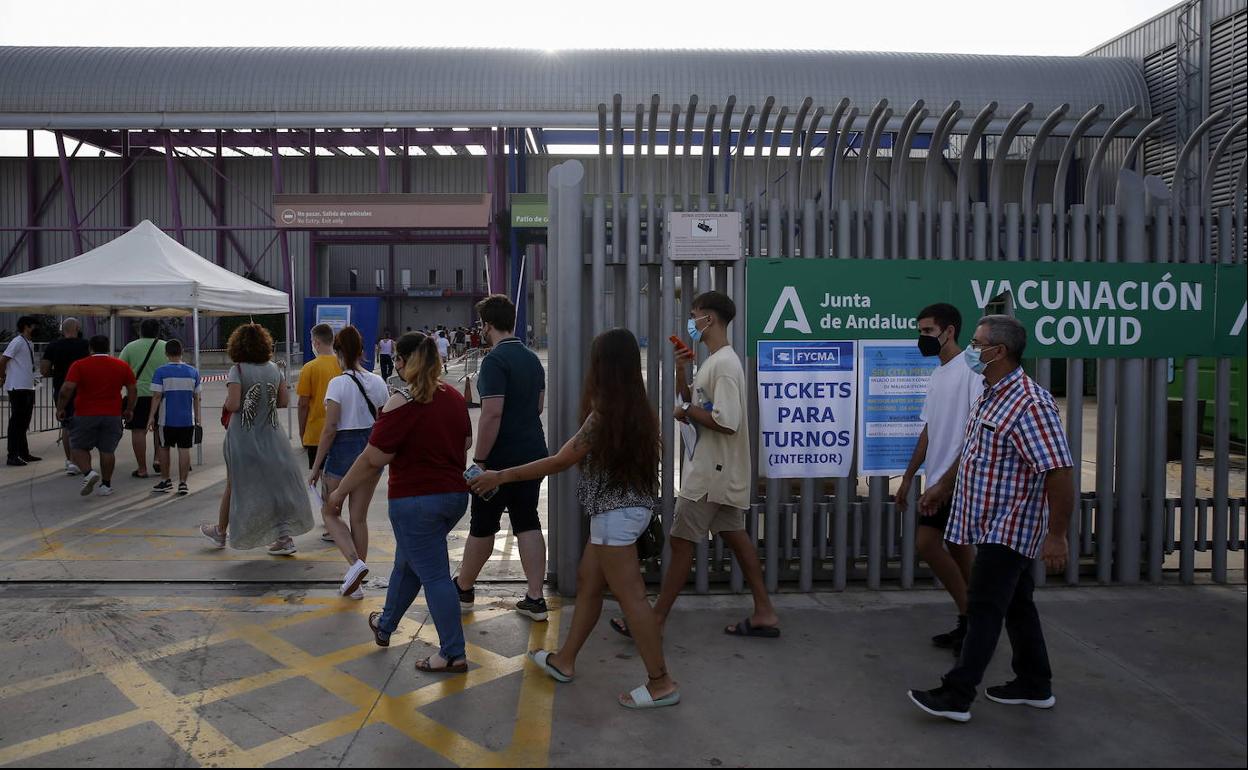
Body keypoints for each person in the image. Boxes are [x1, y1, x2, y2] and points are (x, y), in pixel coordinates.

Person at [469, 328, 679, 710]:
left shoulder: (605, 415)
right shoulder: (633, 408)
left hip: (616, 517)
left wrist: (499, 474)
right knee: (587, 583)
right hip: (616, 514)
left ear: (604, 367)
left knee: (632, 600)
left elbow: (559, 461)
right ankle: (564, 660)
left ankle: (660, 681)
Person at [908, 315, 1075, 724]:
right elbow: (972, 450)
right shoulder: (991, 392)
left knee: (984, 608)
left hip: (1011, 526)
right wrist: (944, 485)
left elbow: (1059, 471)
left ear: (998, 352)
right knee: (1019, 606)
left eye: (978, 342)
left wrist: (1057, 535)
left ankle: (957, 693)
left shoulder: (1029, 403)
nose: (972, 348)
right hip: (987, 521)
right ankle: (1035, 684)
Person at [613, 291, 779, 639]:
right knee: (736, 538)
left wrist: (686, 411)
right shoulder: (714, 361)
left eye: (694, 315)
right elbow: (692, 400)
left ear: (710, 319)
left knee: (680, 542)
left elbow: (726, 420)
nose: (690, 322)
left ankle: (655, 619)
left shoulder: (725, 366)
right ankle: (764, 611)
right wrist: (681, 371)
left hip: (710, 473)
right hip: (720, 471)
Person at [327, 332, 473, 674]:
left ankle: (453, 652)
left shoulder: (402, 401)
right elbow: (465, 441)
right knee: (407, 566)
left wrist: (338, 493)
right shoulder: (451, 396)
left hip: (415, 502)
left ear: (404, 362)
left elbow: (371, 459)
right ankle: (386, 624)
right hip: (453, 497)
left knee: (434, 575)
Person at [455, 294, 550, 621]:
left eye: (482, 324)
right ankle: (535, 597)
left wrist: (480, 460)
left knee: (483, 523)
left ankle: (464, 587)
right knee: (527, 519)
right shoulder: (532, 358)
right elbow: (538, 406)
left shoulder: (494, 361)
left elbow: (491, 414)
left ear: (488, 325)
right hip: (533, 452)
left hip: (500, 458)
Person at [894, 303, 982, 655]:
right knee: (959, 549)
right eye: (920, 331)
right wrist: (908, 477)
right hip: (938, 479)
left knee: (927, 544)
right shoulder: (937, 374)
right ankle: (973, 622)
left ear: (949, 331)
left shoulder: (970, 373)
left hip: (958, 481)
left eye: (928, 331)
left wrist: (947, 481)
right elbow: (929, 430)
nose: (923, 338)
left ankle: (973, 618)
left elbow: (976, 433)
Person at [220, 323, 314, 555]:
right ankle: (284, 536)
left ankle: (222, 531)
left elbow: (232, 404)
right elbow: (283, 402)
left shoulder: (238, 370)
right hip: (272, 436)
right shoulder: (274, 369)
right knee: (276, 486)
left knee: (236, 483)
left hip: (243, 437)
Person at [310, 326, 388, 599]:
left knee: (330, 512)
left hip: (342, 450)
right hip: (370, 449)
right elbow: (383, 420)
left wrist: (317, 465)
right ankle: (357, 583)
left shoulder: (338, 384)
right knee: (359, 518)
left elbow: (330, 428)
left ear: (339, 352)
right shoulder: (378, 382)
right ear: (363, 351)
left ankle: (355, 564)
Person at [56, 335, 136, 497]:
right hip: (112, 414)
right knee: (107, 450)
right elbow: (133, 389)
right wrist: (129, 409)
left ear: (90, 348)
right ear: (107, 347)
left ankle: (88, 472)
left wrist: (60, 408)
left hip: (85, 413)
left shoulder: (79, 365)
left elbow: (66, 389)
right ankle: (106, 485)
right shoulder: (121, 365)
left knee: (77, 447)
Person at [147, 339, 201, 496]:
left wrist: (151, 417)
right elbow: (196, 397)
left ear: (166, 353)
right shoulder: (193, 372)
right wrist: (197, 417)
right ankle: (183, 483)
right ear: (182, 352)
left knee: (163, 448)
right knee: (184, 450)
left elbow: (157, 396)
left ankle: (165, 480)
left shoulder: (160, 372)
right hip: (187, 419)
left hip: (166, 419)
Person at [118, 319, 169, 478]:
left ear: (140, 331)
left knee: (138, 431)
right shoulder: (166, 346)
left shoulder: (130, 347)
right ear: (158, 331)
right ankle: (158, 460)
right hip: (161, 395)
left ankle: (142, 468)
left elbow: (120, 370)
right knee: (159, 430)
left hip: (137, 395)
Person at [40, 318, 91, 475]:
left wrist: (58, 373)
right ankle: (82, 458)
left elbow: (44, 370)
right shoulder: (85, 345)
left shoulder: (53, 346)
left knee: (67, 425)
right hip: (83, 389)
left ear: (62, 330)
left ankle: (70, 461)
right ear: (77, 328)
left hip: (62, 388)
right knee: (83, 424)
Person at [297, 324, 341, 472]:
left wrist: (302, 433)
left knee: (321, 477)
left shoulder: (309, 368)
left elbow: (303, 404)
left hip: (316, 434)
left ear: (316, 342)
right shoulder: (343, 365)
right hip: (341, 430)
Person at [2, 316, 42, 466]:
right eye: (34, 325)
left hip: (27, 386)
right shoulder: (17, 342)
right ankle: (12, 455)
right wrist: (2, 377)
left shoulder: (28, 342)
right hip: (17, 387)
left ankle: (23, 453)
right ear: (26, 326)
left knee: (24, 422)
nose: (37, 328)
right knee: (16, 423)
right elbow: (3, 359)